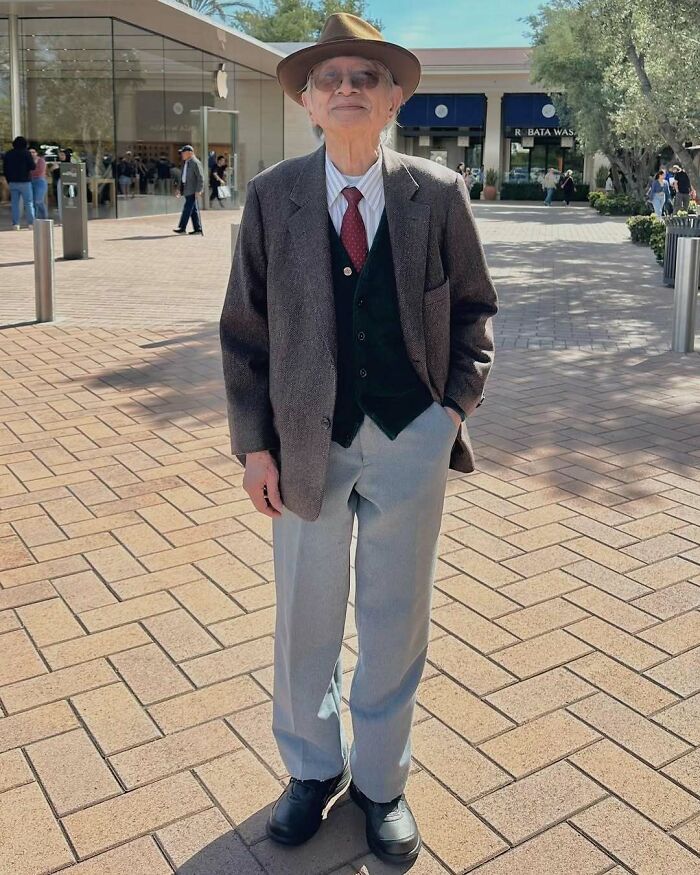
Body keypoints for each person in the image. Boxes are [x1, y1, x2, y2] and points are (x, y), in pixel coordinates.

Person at [220, 12, 497, 867]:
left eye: (365, 77)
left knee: (395, 616)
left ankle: (381, 781)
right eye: (330, 78)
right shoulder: (273, 197)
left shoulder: (437, 194)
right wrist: (255, 446)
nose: (347, 88)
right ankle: (312, 768)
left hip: (411, 434)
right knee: (304, 616)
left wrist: (450, 412)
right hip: (306, 442)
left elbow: (475, 311)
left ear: (394, 99)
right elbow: (244, 332)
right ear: (307, 102)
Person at [3, 135, 36, 230]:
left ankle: (16, 224)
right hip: (25, 182)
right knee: (28, 203)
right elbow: (32, 167)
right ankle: (31, 223)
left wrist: (9, 180)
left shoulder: (8, 154)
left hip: (13, 182)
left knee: (15, 204)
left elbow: (5, 169)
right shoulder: (26, 153)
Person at [173, 144, 204, 235]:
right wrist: (179, 189)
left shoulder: (195, 162)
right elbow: (183, 177)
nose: (182, 154)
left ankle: (182, 228)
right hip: (186, 189)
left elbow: (200, 177)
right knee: (193, 210)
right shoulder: (186, 163)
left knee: (187, 209)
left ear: (190, 153)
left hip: (192, 190)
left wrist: (199, 190)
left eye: (184, 152)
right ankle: (198, 229)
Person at [29, 145, 48, 220]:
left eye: (33, 152)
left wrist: (30, 171)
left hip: (40, 181)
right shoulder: (28, 161)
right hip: (30, 181)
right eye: (30, 152)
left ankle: (44, 217)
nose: (32, 154)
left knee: (38, 200)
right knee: (33, 201)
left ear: (36, 153)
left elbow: (39, 172)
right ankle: (35, 219)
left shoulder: (41, 161)